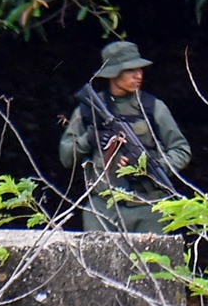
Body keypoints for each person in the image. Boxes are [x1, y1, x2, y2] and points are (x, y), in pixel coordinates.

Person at [59, 41, 193, 234]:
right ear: (113, 74)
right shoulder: (89, 109)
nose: (138, 75)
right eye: (130, 70)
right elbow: (66, 157)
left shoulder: (153, 107)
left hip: (149, 205)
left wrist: (152, 165)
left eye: (139, 69)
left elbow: (181, 150)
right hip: (103, 206)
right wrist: (89, 139)